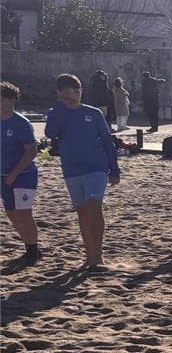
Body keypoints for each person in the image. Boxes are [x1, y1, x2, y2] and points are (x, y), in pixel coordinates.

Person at [43, 73, 121, 269]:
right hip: (72, 169)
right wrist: (60, 108)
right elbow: (50, 133)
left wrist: (114, 169)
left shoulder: (94, 113)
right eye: (68, 92)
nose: (74, 95)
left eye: (77, 91)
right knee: (83, 213)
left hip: (97, 167)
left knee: (94, 206)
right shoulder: (56, 112)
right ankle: (90, 256)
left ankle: (99, 254)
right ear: (60, 93)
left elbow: (107, 141)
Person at [1, 82, 42, 265]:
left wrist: (14, 174)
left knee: (24, 213)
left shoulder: (21, 123)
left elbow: (31, 152)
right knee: (11, 213)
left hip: (23, 174)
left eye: (1, 99)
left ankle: (33, 251)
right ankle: (29, 245)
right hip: (2, 175)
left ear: (12, 101)